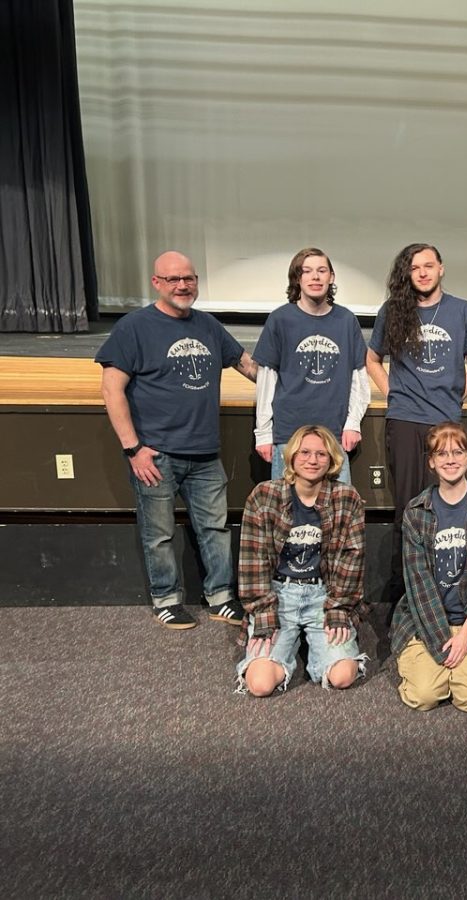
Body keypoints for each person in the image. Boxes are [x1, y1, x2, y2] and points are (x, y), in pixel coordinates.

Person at [96, 250, 257, 630]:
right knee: (159, 534)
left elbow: (248, 366)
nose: (182, 285)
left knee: (215, 529)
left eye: (189, 278)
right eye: (173, 279)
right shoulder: (134, 327)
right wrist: (133, 449)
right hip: (156, 455)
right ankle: (166, 599)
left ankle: (220, 597)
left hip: (205, 453)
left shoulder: (208, 326)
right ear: (156, 283)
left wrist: (290, 386)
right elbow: (111, 390)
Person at [366, 243, 467, 602]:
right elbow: (372, 360)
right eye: (415, 267)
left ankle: (445, 587)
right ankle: (405, 590)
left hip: (446, 421)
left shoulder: (462, 311)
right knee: (409, 504)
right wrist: (394, 393)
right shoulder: (394, 310)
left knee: (448, 504)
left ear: (441, 269)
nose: (422, 272)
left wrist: (455, 397)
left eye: (429, 266)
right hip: (404, 420)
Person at [237, 425, 368, 696]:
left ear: (332, 460)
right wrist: (263, 614)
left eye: (321, 454)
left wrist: (339, 609)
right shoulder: (264, 496)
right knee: (259, 685)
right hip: (279, 594)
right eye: (305, 452)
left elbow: (352, 560)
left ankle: (314, 646)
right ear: (292, 457)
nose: (312, 460)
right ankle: (295, 642)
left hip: (324, 594)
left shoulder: (347, 497)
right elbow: (253, 562)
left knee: (343, 676)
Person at [393, 422, 467, 713]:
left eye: (458, 452)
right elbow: (418, 583)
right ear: (431, 462)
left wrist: (466, 635)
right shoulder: (416, 511)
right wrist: (442, 642)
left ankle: (463, 666)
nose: (450, 460)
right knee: (424, 696)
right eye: (441, 453)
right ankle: (442, 669)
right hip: (428, 619)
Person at [253, 247, 369, 484]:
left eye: (321, 271)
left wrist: (353, 423)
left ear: (331, 277)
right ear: (297, 278)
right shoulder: (280, 319)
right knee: (287, 512)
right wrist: (263, 433)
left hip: (334, 436)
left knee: (337, 512)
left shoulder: (346, 321)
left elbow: (359, 377)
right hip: (289, 434)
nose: (315, 277)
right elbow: (267, 380)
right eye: (307, 271)